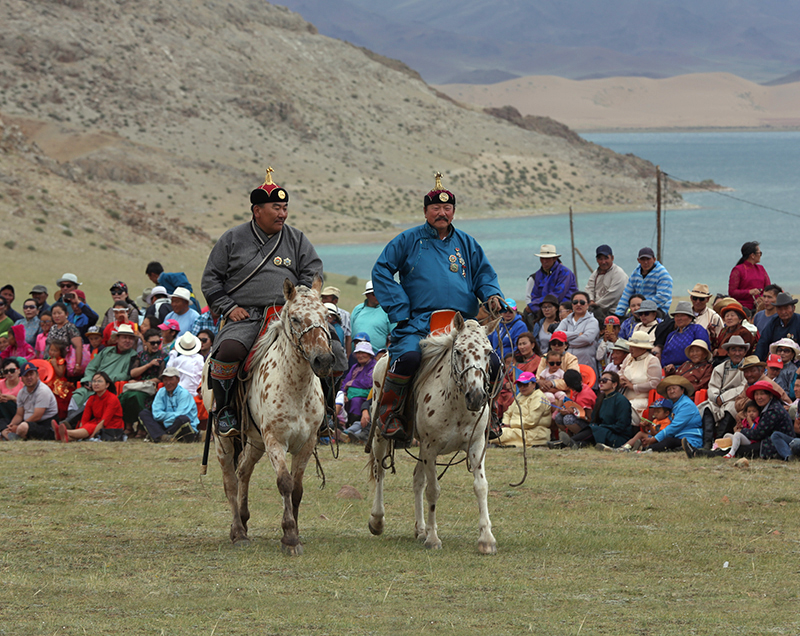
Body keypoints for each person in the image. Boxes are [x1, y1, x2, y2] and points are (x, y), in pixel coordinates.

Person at [371, 172, 505, 442]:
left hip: (463, 324)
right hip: (420, 321)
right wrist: (400, 308)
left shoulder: (467, 243)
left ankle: (488, 416)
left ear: (453, 211)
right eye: (436, 208)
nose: (441, 213)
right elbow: (382, 270)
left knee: (493, 362)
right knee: (407, 358)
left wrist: (492, 295)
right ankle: (391, 414)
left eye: (447, 208)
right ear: (425, 211)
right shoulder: (408, 240)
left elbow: (484, 275)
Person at [201, 167, 322, 437]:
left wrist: (299, 299)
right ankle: (225, 411)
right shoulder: (232, 239)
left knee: (329, 348)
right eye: (276, 207)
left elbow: (312, 272)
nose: (282, 213)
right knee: (228, 351)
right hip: (247, 316)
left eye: (285, 207)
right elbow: (211, 280)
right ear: (257, 210)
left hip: (286, 315)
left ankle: (323, 415)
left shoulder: (297, 239)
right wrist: (230, 308)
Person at [68, 324, 139, 415]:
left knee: (91, 399)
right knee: (78, 395)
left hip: (110, 386)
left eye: (131, 338)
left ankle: (68, 424)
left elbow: (126, 374)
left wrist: (103, 381)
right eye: (124, 337)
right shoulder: (106, 351)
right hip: (94, 383)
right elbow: (91, 367)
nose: (128, 341)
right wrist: (89, 380)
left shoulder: (133, 355)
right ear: (117, 339)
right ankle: (71, 424)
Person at [697, 335, 748, 448]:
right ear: (728, 352)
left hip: (736, 400)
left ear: (745, 352)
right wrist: (716, 398)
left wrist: (723, 398)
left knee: (730, 408)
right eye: (733, 350)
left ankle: (718, 443)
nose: (737, 353)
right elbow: (713, 386)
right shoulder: (720, 368)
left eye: (740, 350)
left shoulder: (747, 368)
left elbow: (743, 387)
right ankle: (707, 442)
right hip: (718, 400)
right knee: (708, 408)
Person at [121, 328, 167, 436]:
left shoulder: (163, 356)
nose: (155, 345)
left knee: (137, 397)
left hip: (150, 387)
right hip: (139, 384)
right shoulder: (140, 355)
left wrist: (142, 382)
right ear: (145, 342)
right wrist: (148, 365)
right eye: (152, 343)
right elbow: (133, 373)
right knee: (125, 396)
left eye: (158, 342)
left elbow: (160, 378)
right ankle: (128, 426)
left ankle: (142, 427)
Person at [55, 371, 124, 442]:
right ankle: (65, 436)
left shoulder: (112, 399)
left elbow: (104, 422)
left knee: (90, 427)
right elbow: (84, 419)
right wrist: (82, 431)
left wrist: (92, 436)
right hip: (96, 423)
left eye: (99, 381)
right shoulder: (92, 398)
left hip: (111, 426)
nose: (96, 384)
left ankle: (64, 432)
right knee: (88, 426)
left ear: (107, 385)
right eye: (94, 381)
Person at [639, 375, 702, 452]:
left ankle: (646, 449)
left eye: (674, 388)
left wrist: (654, 439)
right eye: (669, 389)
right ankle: (627, 447)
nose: (671, 391)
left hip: (689, 440)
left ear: (682, 390)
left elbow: (674, 427)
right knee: (642, 435)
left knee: (668, 441)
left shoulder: (687, 404)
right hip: (673, 437)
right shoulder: (669, 404)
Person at [138, 367, 199, 443]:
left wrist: (164, 420)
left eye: (171, 379)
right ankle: (164, 436)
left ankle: (159, 435)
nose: (168, 382)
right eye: (165, 379)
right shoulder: (161, 392)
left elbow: (180, 414)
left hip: (180, 425)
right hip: (165, 424)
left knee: (183, 419)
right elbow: (156, 414)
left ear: (178, 380)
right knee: (144, 413)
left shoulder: (184, 394)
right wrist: (168, 417)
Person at [0, 361, 58, 441]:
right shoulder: (22, 392)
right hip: (28, 422)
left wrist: (19, 426)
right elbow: (19, 414)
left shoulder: (43, 390)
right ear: (22, 379)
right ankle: (12, 434)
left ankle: (14, 435)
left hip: (45, 424)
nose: (29, 377)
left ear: (37, 376)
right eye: (26, 375)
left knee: (23, 427)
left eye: (31, 374)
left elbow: (37, 416)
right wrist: (11, 425)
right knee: (4, 422)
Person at [496, 372, 552, 447]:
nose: (522, 387)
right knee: (496, 433)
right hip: (517, 430)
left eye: (525, 384)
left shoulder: (538, 397)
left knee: (497, 435)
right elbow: (508, 413)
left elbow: (531, 422)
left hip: (533, 434)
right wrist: (504, 424)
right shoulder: (520, 395)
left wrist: (510, 424)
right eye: (520, 385)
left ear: (534, 384)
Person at [614, 247, 673, 317]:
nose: (645, 262)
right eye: (643, 259)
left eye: (648, 259)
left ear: (654, 259)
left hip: (657, 309)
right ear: (638, 260)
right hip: (637, 308)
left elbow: (663, 297)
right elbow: (627, 294)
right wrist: (618, 314)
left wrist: (643, 308)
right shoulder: (635, 273)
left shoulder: (662, 274)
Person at [585, 371, 636, 450]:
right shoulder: (600, 399)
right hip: (602, 431)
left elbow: (621, 426)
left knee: (595, 430)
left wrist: (602, 427)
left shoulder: (621, 400)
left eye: (605, 380)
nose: (601, 382)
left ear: (614, 384)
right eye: (600, 380)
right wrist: (597, 426)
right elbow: (594, 420)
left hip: (617, 436)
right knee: (590, 430)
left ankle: (568, 442)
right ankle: (566, 443)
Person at [524, 244, 578, 318]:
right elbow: (535, 295)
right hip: (544, 308)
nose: (544, 261)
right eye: (542, 258)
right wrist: (536, 306)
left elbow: (557, 295)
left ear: (555, 258)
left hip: (563, 309)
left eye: (547, 259)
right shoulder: (538, 274)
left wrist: (534, 305)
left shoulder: (565, 273)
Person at [618, 331, 662, 418]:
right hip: (623, 397)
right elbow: (620, 372)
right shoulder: (629, 357)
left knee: (625, 409)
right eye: (630, 346)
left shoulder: (652, 360)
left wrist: (633, 386)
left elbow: (655, 384)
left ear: (643, 348)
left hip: (642, 400)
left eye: (634, 347)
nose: (630, 349)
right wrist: (621, 379)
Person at [339, 341, 377, 439]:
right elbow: (345, 383)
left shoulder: (374, 366)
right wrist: (344, 393)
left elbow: (369, 382)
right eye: (358, 353)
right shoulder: (355, 367)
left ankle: (353, 427)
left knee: (356, 401)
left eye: (363, 353)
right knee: (340, 400)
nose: (360, 355)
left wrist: (352, 383)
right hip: (351, 395)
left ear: (369, 354)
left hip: (367, 398)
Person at [553, 368, 597, 447]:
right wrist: (565, 409)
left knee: (568, 419)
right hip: (578, 417)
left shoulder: (584, 396)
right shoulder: (577, 389)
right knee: (558, 417)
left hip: (589, 425)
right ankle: (569, 438)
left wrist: (573, 412)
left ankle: (579, 439)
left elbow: (590, 419)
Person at [659, 301, 710, 369]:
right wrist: (666, 367)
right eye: (677, 316)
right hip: (671, 371)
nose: (679, 318)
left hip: (692, 369)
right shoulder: (671, 335)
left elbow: (703, 351)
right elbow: (664, 355)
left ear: (690, 317)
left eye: (682, 315)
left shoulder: (697, 329)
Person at [584, 244, 627, 323]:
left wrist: (595, 305)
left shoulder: (618, 273)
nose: (603, 262)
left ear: (612, 258)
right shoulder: (596, 273)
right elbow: (589, 288)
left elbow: (613, 295)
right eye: (600, 259)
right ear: (597, 260)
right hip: (597, 310)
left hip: (615, 312)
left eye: (606, 258)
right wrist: (591, 300)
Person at [350, 280, 393, 351]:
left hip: (379, 356)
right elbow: (350, 333)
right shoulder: (358, 309)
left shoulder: (387, 310)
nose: (378, 296)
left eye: (380, 293)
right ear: (367, 295)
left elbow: (393, 335)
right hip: (357, 355)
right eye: (374, 294)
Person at [755, 293, 800, 360]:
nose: (783, 312)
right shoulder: (773, 322)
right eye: (780, 309)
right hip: (775, 361)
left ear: (793, 308)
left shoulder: (798, 321)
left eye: (786, 308)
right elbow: (763, 343)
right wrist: (757, 362)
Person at [728, 241, 770, 310]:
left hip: (760, 306)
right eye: (760, 253)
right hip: (743, 307)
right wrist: (749, 292)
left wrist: (762, 297)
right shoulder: (738, 270)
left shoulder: (761, 268)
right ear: (752, 255)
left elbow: (768, 288)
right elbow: (732, 292)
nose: (760, 255)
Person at [47, 302, 85, 376]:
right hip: (52, 362)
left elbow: (79, 346)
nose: (56, 316)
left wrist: (77, 364)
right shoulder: (53, 328)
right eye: (54, 313)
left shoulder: (70, 327)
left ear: (66, 314)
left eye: (59, 313)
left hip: (66, 364)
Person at [47, 341, 76, 419]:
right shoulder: (48, 360)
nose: (52, 352)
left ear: (60, 352)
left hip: (58, 382)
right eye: (51, 350)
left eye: (55, 351)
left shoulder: (61, 361)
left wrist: (55, 365)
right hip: (49, 382)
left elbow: (60, 373)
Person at [321, 286, 351, 354]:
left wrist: (347, 358)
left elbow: (348, 338)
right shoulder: (317, 312)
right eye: (322, 298)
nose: (323, 301)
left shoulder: (345, 315)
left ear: (335, 301)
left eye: (326, 298)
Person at [0, 358, 24, 427]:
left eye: (12, 370)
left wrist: (13, 398)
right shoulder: (1, 383)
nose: (9, 373)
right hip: (3, 413)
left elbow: (27, 404)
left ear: (19, 371)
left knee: (7, 403)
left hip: (20, 412)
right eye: (6, 371)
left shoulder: (24, 383)